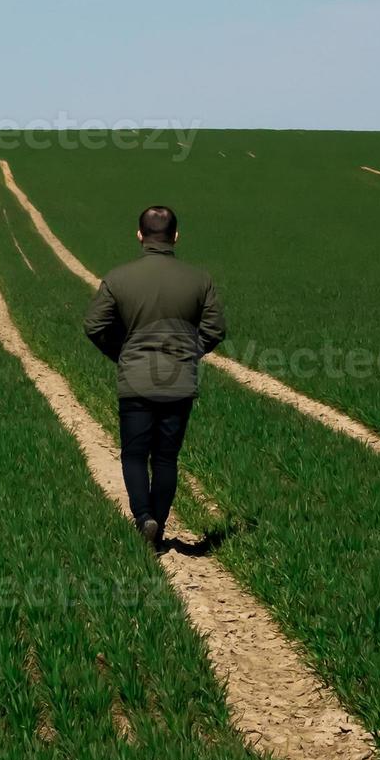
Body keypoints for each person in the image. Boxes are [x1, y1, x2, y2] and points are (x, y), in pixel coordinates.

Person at [83, 206, 227, 550]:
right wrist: (188, 352)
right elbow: (215, 329)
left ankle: (144, 517)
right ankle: (158, 528)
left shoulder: (118, 279)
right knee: (165, 458)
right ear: (175, 236)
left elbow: (94, 325)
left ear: (140, 235)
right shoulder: (199, 279)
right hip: (178, 383)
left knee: (134, 455)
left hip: (135, 381)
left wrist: (122, 354)